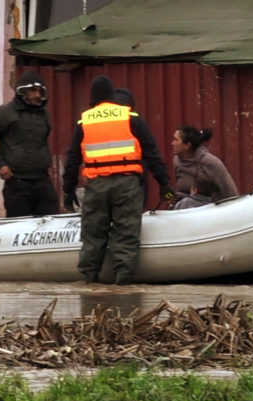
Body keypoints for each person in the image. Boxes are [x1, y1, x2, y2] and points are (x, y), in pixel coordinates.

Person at [63, 75, 173, 285]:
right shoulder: (131, 117)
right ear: (112, 95)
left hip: (96, 186)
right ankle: (123, 281)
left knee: (93, 233)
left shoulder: (84, 121)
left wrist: (68, 191)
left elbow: (72, 161)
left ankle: (89, 280)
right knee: (126, 231)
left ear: (92, 97)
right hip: (127, 184)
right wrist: (164, 185)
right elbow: (152, 154)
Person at [0, 70, 58, 217]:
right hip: (17, 182)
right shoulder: (6, 112)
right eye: (33, 91)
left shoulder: (44, 114)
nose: (37, 95)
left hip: (42, 180)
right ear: (22, 92)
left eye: (40, 91)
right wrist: (0, 165)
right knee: (19, 226)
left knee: (51, 223)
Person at [172, 125, 238, 201]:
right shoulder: (177, 161)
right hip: (186, 207)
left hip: (211, 207)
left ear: (187, 145)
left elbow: (231, 192)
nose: (172, 143)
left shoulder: (210, 163)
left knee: (186, 203)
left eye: (176, 140)